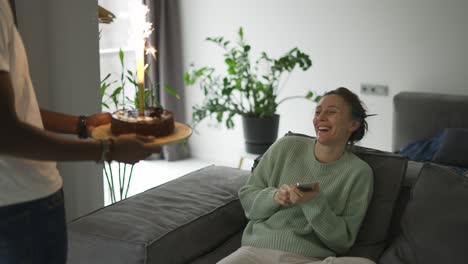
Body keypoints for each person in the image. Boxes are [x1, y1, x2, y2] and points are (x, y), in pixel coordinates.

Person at [0, 1, 155, 263]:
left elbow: (15, 112)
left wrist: (82, 125)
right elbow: (5, 132)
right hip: (21, 206)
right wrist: (109, 150)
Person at [218, 87, 375, 264]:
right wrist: (275, 196)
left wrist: (314, 203)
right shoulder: (286, 146)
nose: (320, 118)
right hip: (255, 253)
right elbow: (248, 201)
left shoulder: (359, 173)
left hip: (307, 259)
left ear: (353, 124)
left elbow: (342, 242)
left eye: (331, 112)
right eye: (318, 112)